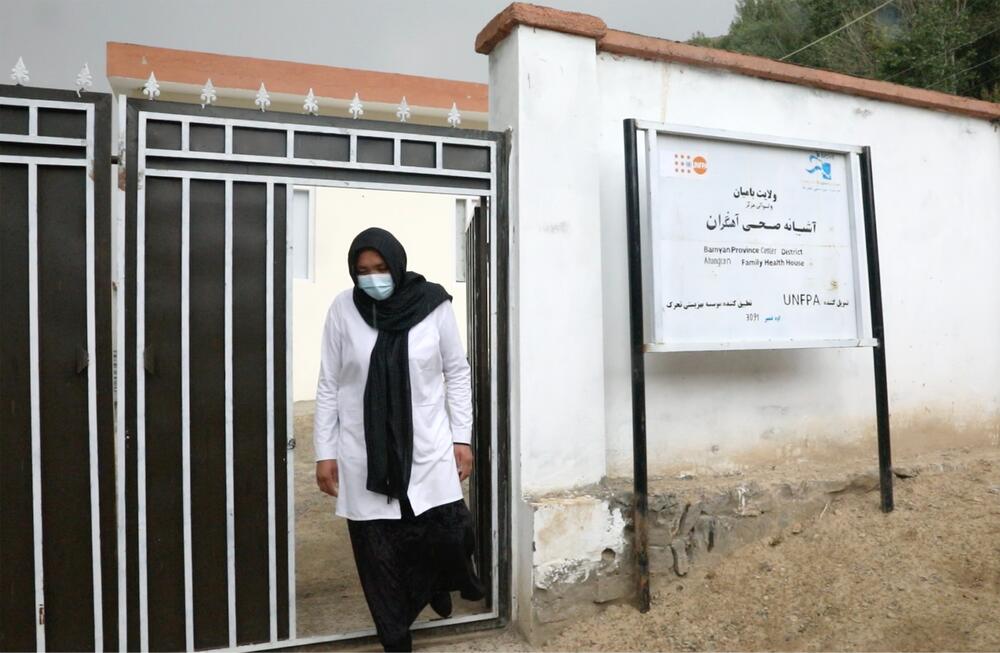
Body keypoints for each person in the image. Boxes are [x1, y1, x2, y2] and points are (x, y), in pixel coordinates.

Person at [313, 227, 484, 652]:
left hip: (425, 444)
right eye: (362, 270)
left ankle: (436, 585)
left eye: (381, 267)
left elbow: (456, 372)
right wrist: (324, 451)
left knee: (450, 534)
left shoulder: (433, 305)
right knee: (379, 557)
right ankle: (395, 637)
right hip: (364, 449)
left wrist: (461, 438)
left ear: (397, 264)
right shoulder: (343, 309)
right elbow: (329, 384)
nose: (372, 277)